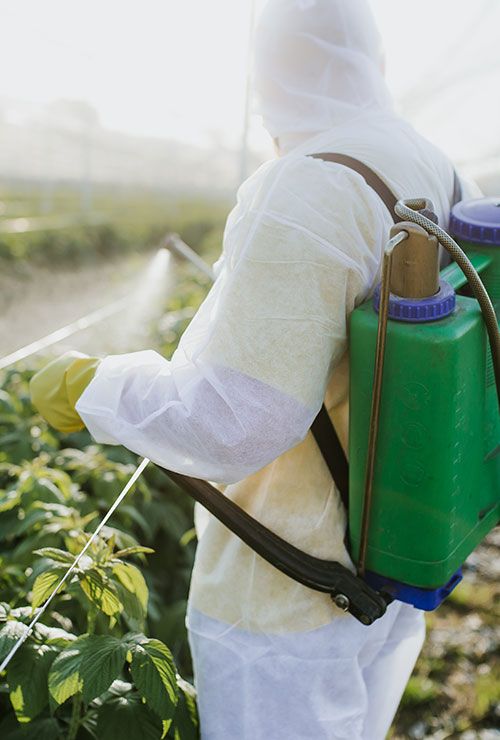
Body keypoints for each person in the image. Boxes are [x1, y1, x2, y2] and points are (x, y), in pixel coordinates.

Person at [31, 1, 481, 737]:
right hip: (391, 551)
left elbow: (236, 419)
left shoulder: (307, 187)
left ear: (268, 72)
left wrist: (95, 388)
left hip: (285, 595)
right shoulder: (427, 158)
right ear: (372, 58)